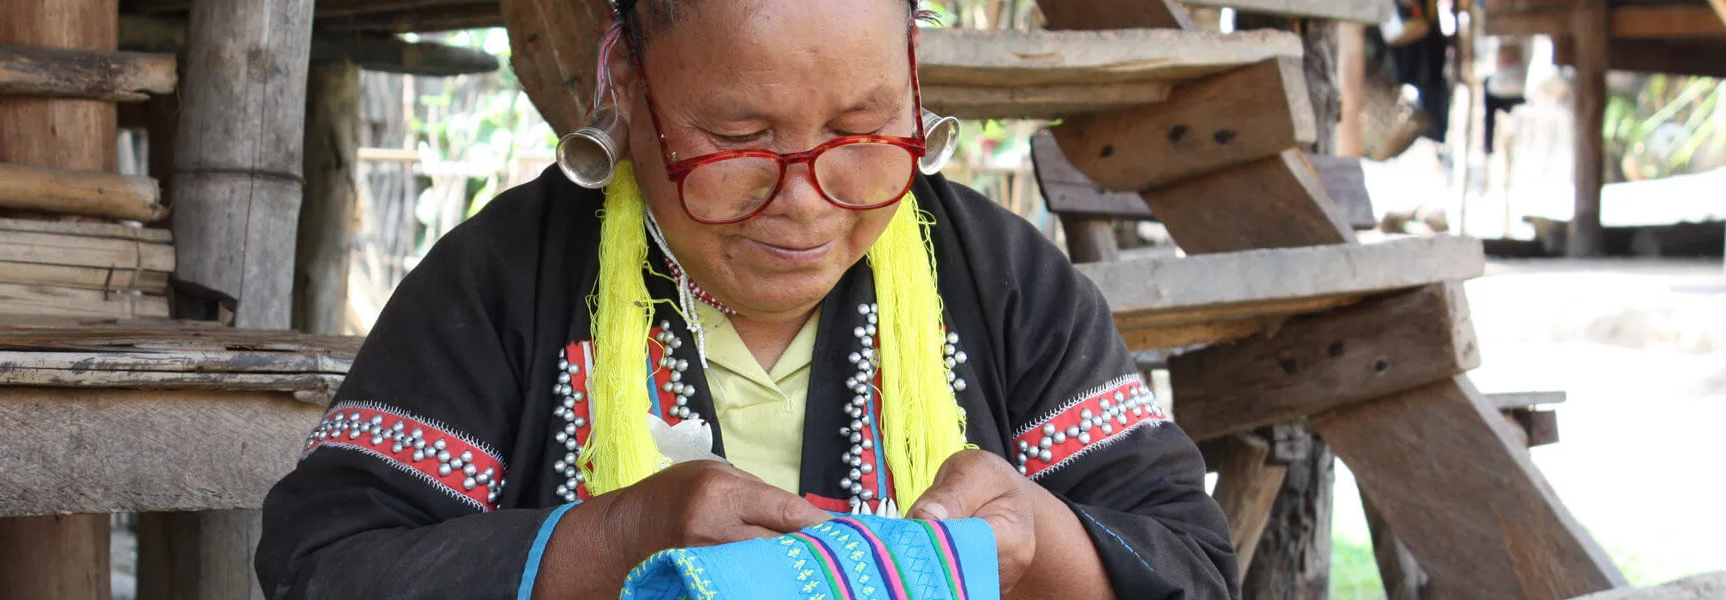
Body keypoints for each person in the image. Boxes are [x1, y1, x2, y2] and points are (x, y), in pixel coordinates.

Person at [255, 0, 1236, 597]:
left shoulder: (1004, 284)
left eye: (862, 128)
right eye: (736, 141)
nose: (805, 203)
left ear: (912, 73)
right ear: (627, 81)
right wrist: (614, 543)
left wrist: (1042, 547)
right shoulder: (504, 283)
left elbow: (1192, 563)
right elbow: (321, 565)